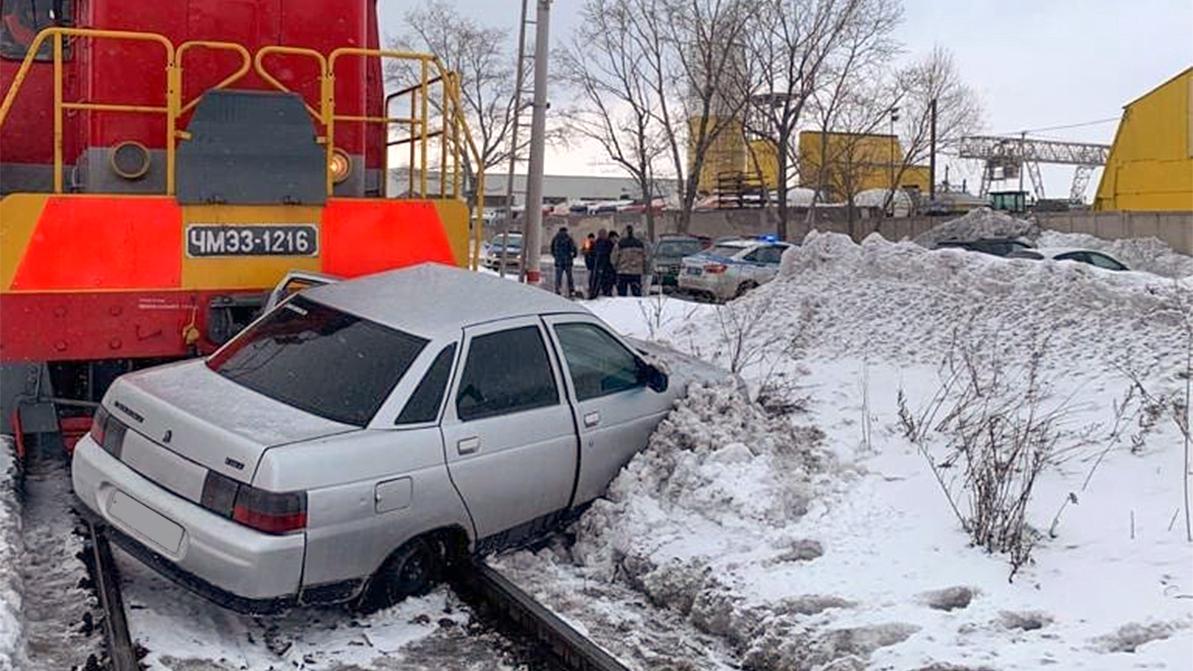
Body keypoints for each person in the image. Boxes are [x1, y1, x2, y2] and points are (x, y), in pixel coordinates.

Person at [611, 225, 647, 297]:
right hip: (636, 272)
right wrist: (644, 268)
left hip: (623, 271)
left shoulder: (620, 244)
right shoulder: (640, 244)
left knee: (622, 294)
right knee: (637, 294)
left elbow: (613, 258)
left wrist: (615, 267)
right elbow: (645, 258)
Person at [550, 226, 577, 297]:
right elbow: (573, 249)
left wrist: (556, 256)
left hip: (559, 261)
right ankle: (571, 290)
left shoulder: (555, 238)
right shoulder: (569, 238)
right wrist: (573, 256)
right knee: (569, 277)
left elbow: (552, 249)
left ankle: (557, 289)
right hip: (568, 261)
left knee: (558, 277)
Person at [590, 229, 613, 299]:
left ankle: (595, 293)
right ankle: (601, 293)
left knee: (598, 280)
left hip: (601, 264)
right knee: (601, 280)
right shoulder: (608, 243)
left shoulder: (597, 243)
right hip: (604, 264)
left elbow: (592, 254)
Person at [601, 231, 619, 296]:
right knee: (608, 283)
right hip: (608, 268)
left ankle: (607, 293)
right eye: (615, 238)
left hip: (606, 268)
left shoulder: (606, 244)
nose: (616, 240)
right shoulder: (610, 245)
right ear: (612, 237)